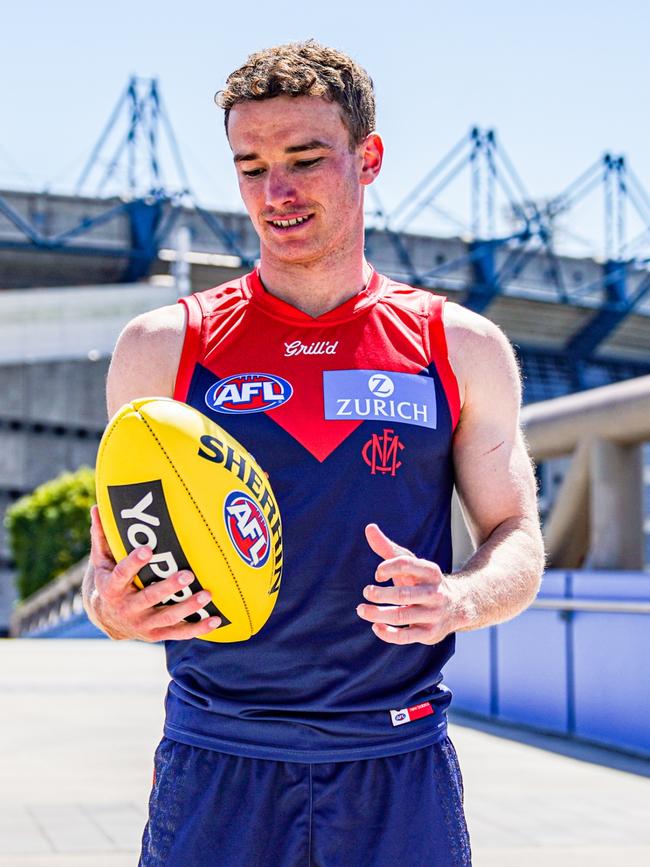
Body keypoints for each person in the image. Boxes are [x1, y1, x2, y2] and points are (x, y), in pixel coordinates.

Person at [83, 40, 545, 867]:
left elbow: (517, 531)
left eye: (305, 159)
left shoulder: (458, 346)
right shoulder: (164, 347)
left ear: (367, 158)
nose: (277, 193)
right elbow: (104, 567)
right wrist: (112, 609)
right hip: (216, 755)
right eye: (251, 166)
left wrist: (459, 598)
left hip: (395, 761)